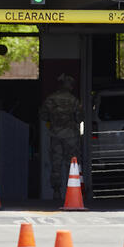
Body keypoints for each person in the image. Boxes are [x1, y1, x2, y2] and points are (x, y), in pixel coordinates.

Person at [39, 74, 82, 203]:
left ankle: (56, 191)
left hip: (55, 135)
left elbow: (43, 115)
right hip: (71, 136)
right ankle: (72, 191)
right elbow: (80, 118)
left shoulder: (50, 99)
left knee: (56, 164)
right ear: (69, 85)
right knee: (72, 165)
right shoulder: (74, 100)